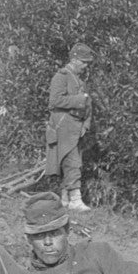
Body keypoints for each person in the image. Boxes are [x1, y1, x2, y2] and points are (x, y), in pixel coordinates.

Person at [44, 42, 94, 212]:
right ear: (74, 60)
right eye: (84, 62)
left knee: (70, 162)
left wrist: (86, 124)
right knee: (72, 163)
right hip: (63, 126)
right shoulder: (61, 77)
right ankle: (75, 200)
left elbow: (88, 104)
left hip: (76, 127)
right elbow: (55, 101)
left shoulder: (80, 80)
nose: (86, 66)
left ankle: (65, 199)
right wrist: (79, 100)